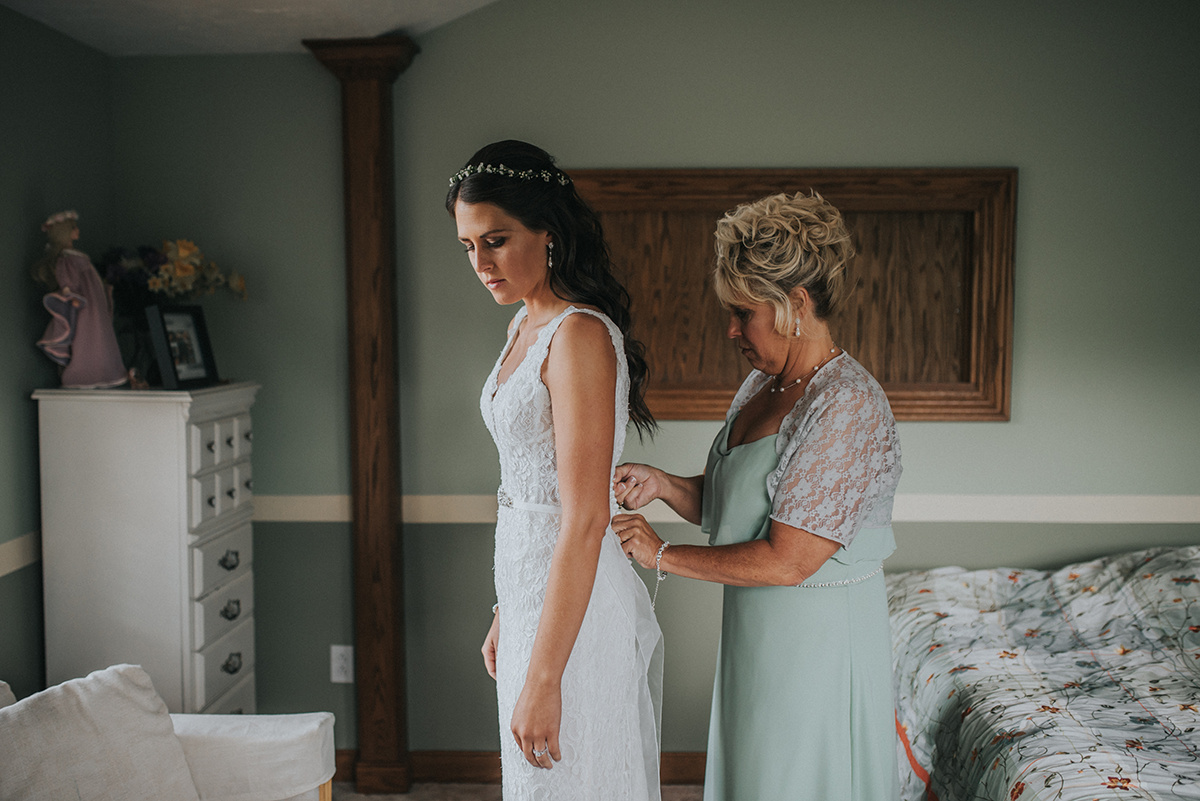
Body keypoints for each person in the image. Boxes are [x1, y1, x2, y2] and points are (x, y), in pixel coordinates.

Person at [613, 191, 902, 801]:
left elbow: (789, 557)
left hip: (818, 643)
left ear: (795, 304)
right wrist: (665, 486)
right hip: (757, 633)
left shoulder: (844, 403)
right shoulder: (759, 386)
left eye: (744, 313)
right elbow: (734, 507)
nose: (732, 329)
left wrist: (662, 555)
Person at [446, 140, 663, 800]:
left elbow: (585, 516)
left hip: (576, 603)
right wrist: (507, 607)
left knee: (571, 778)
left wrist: (545, 676)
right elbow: (527, 485)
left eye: (496, 239)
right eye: (468, 246)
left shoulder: (579, 335)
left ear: (548, 232)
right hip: (528, 587)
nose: (481, 263)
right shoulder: (523, 325)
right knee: (537, 781)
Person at [32, 210, 127, 388]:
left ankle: (103, 371)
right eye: (74, 228)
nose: (77, 231)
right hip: (85, 302)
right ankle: (85, 373)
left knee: (98, 333)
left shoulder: (74, 255)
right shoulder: (67, 258)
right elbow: (68, 279)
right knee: (87, 335)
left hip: (92, 299)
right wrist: (72, 295)